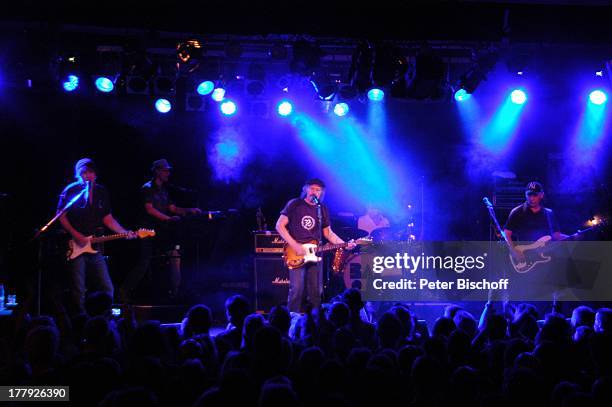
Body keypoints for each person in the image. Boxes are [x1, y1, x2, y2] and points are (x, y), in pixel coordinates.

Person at [58, 158, 136, 313]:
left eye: (91, 172)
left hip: (94, 246)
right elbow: (61, 216)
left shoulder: (101, 191)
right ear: (78, 174)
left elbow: (107, 218)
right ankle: (80, 321)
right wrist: (76, 235)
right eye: (84, 172)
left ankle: (104, 320)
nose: (88, 176)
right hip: (75, 245)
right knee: (78, 288)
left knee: (107, 287)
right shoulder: (71, 190)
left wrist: (124, 232)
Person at [120, 159, 201, 302]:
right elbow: (149, 209)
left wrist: (189, 210)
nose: (168, 173)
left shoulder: (164, 190)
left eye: (168, 170)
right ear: (157, 171)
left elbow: (173, 209)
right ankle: (124, 290)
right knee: (144, 262)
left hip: (161, 232)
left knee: (175, 256)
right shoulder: (147, 188)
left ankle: (174, 294)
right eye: (165, 170)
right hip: (146, 231)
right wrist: (168, 219)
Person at [276, 178, 355, 313]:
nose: (314, 192)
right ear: (306, 189)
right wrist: (295, 245)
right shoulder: (295, 204)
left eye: (318, 190)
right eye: (312, 188)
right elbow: (279, 226)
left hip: (315, 254)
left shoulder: (322, 209)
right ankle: (292, 322)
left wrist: (344, 244)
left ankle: (315, 321)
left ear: (321, 193)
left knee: (316, 291)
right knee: (297, 290)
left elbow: (328, 233)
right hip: (297, 253)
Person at [503, 181, 567, 262]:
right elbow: (506, 234)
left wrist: (571, 237)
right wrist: (513, 251)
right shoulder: (517, 212)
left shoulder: (549, 213)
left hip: (546, 257)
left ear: (541, 195)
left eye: (535, 195)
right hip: (525, 258)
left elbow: (556, 235)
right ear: (525, 194)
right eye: (529, 194)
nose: (531, 198)